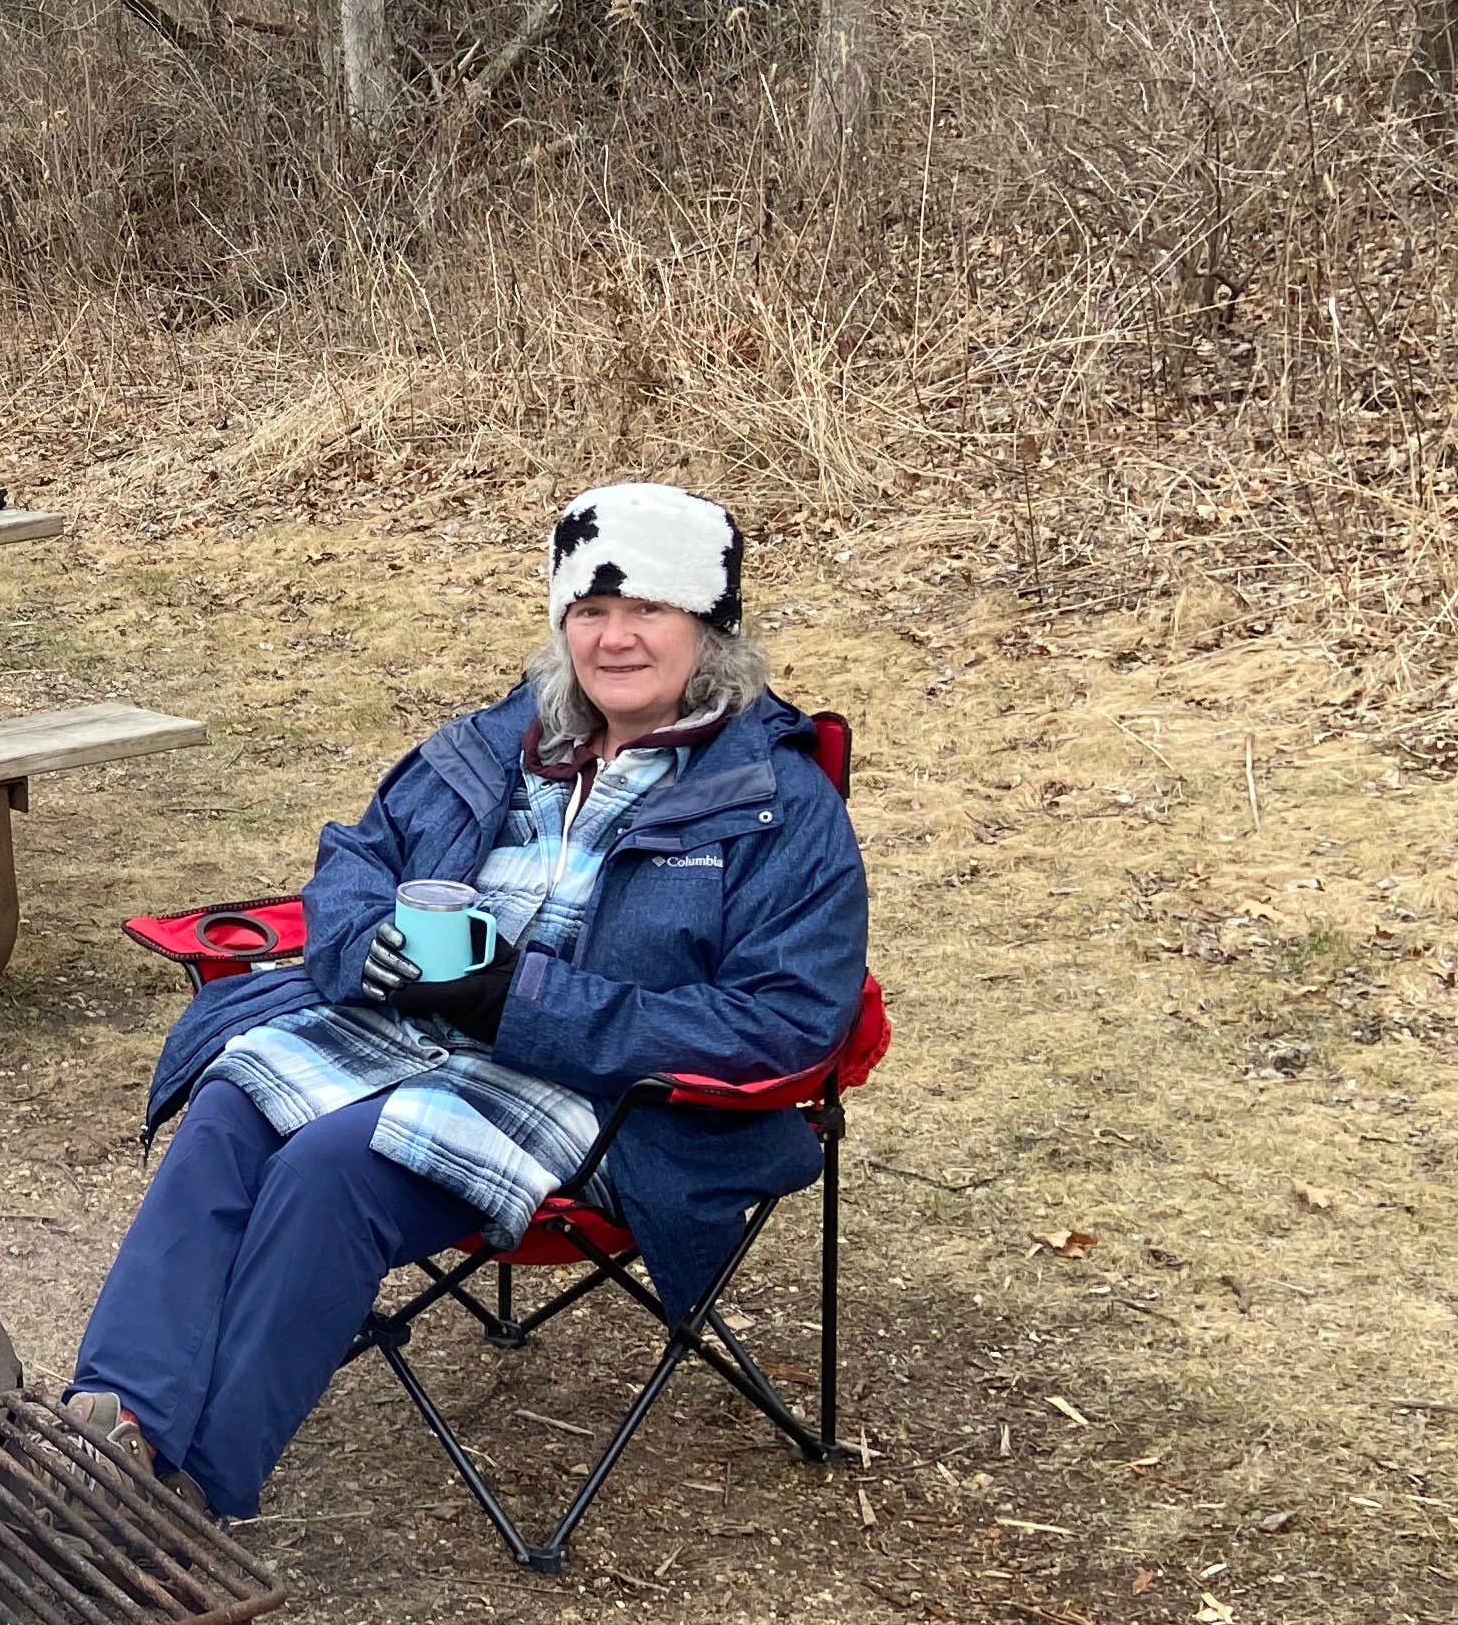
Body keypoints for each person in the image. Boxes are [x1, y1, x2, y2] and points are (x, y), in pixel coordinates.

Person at [66, 481, 870, 1518]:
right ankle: (115, 1428)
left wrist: (520, 1001)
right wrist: (368, 951)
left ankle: (194, 1496)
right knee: (233, 1108)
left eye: (648, 611)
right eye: (590, 611)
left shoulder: (776, 803)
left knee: (333, 1166)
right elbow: (356, 860)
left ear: (708, 629)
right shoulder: (501, 742)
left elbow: (785, 1022)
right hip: (409, 1030)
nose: (615, 639)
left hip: (598, 1095)